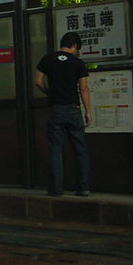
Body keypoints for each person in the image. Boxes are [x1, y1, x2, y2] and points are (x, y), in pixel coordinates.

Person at [34, 31, 92, 197]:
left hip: (56, 109)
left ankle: (56, 189)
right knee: (80, 149)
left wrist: (49, 92)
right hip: (73, 109)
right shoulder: (78, 63)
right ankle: (83, 188)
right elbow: (84, 89)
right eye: (77, 48)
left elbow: (38, 81)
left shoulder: (48, 59)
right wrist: (88, 111)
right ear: (74, 46)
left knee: (55, 150)